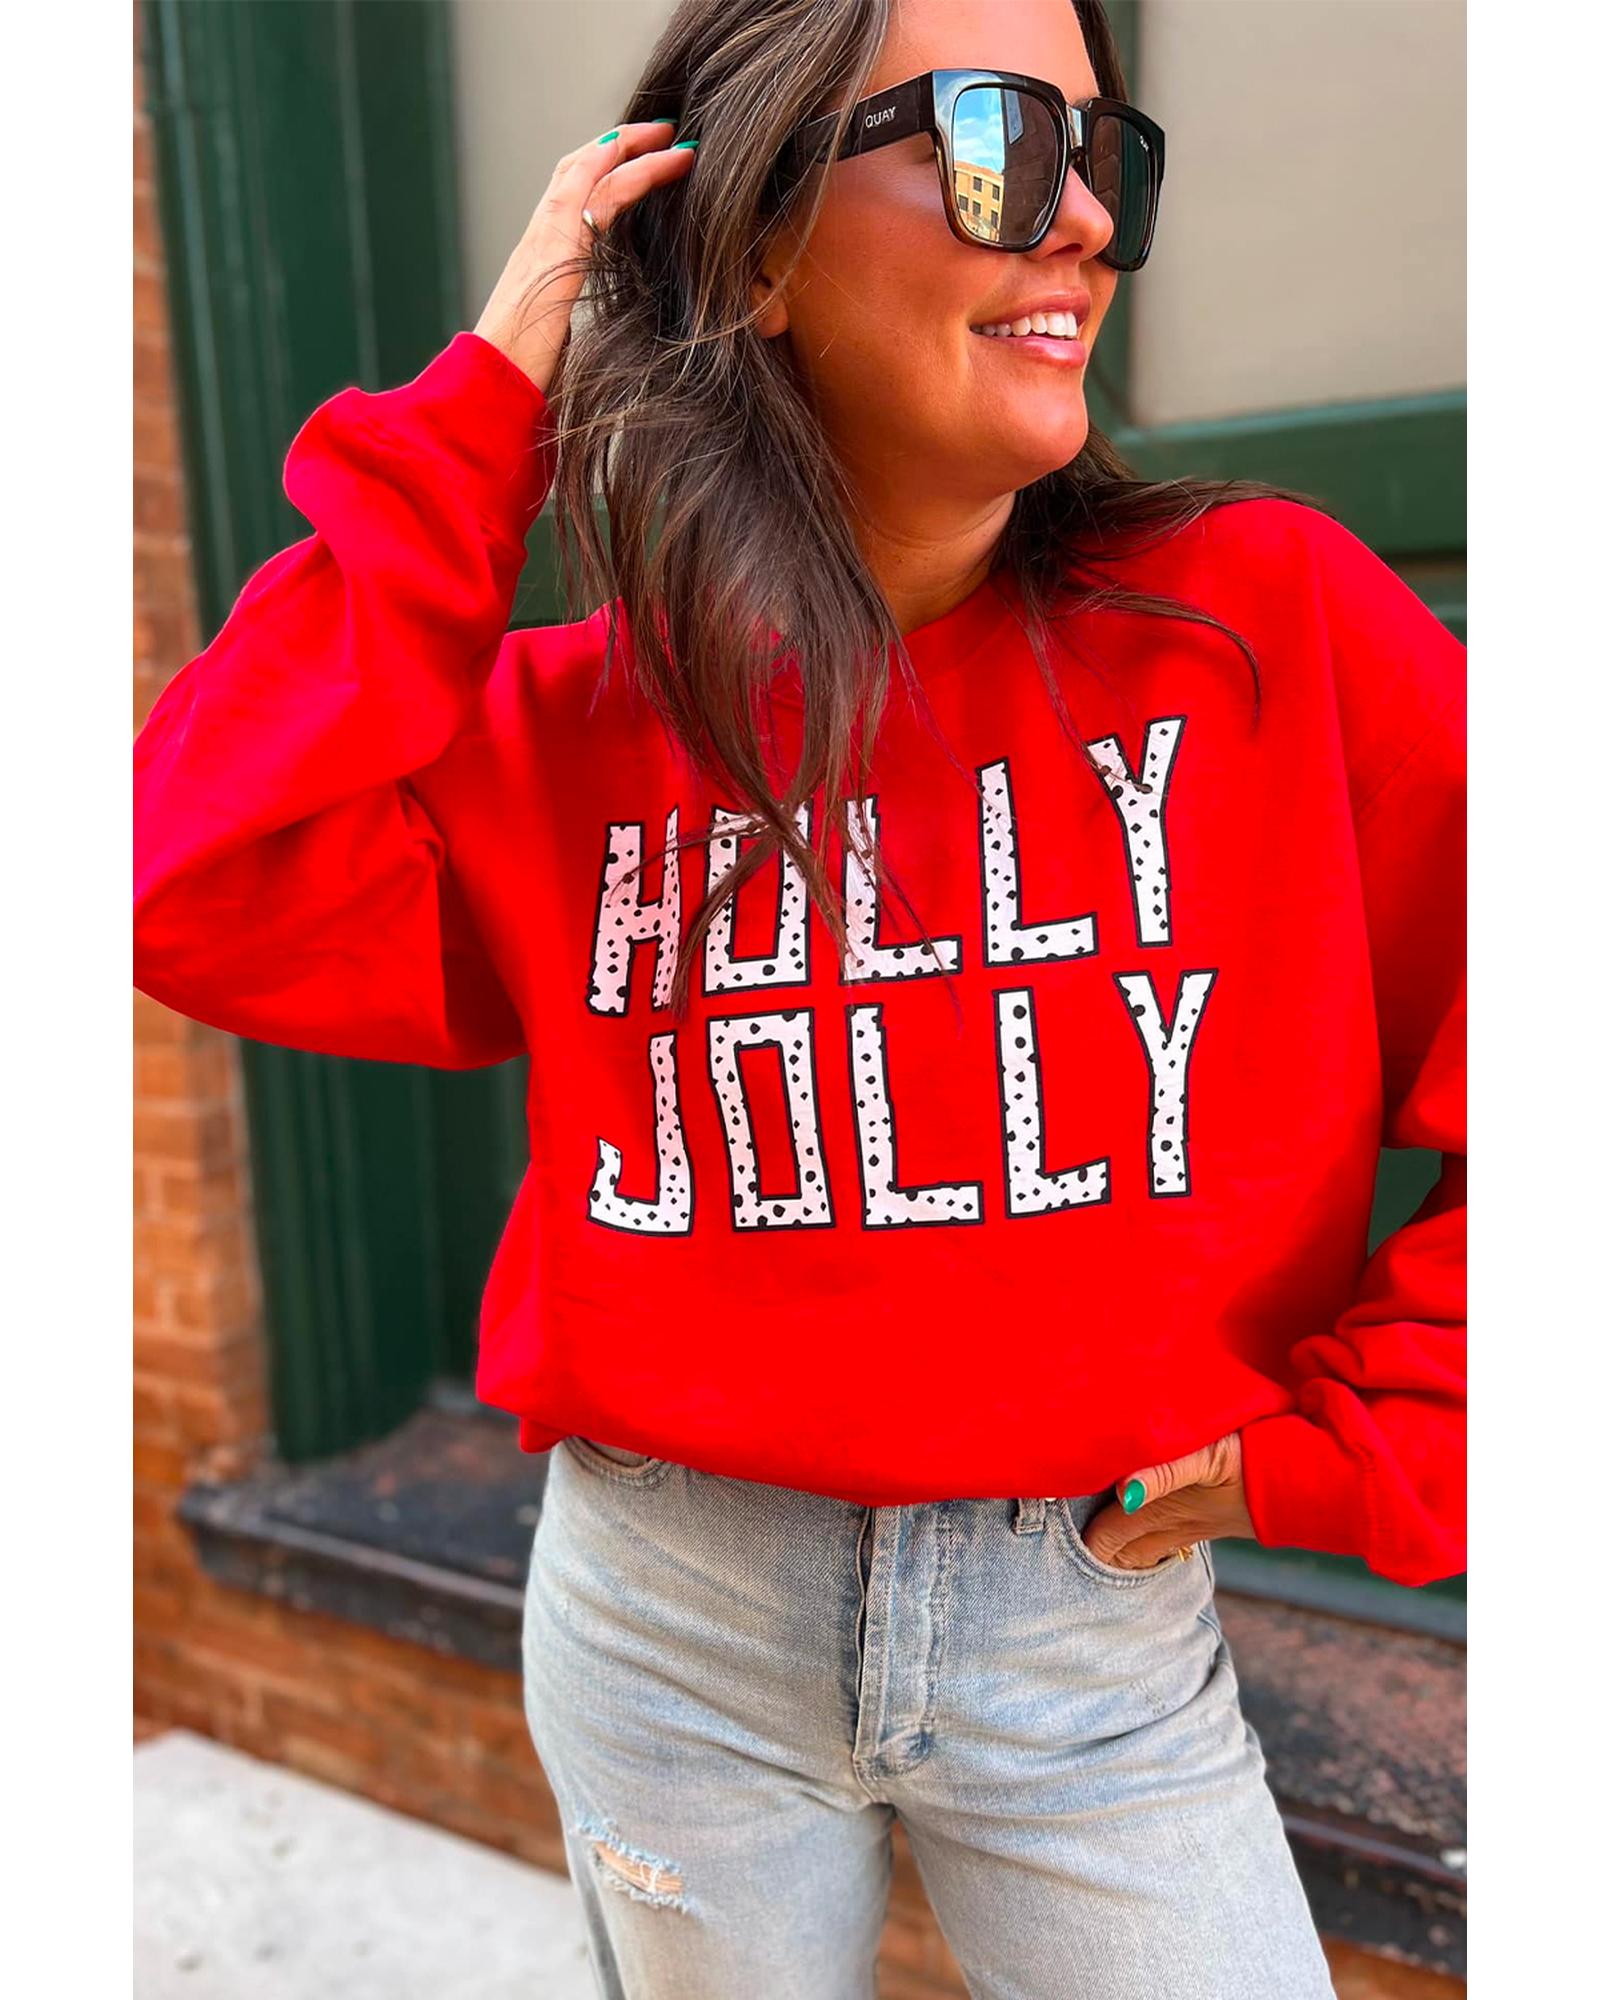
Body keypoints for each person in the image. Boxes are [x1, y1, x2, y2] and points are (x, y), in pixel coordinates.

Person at [132, 1, 1464, 1993]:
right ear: (755, 244)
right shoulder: (577, 726)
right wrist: (478, 414)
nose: (1083, 218)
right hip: (664, 1621)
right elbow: (185, 877)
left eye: (1108, 156)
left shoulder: (1263, 630)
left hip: (1084, 1631)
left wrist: (1373, 1440)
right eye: (1003, 142)